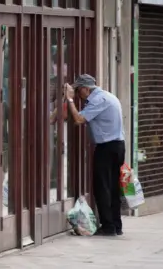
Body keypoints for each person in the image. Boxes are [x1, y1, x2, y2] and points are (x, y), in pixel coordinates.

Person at [64, 74, 125, 236]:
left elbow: (78, 119)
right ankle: (116, 225)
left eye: (78, 91)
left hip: (107, 147)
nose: (77, 95)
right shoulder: (107, 96)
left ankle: (108, 226)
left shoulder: (98, 100)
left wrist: (69, 100)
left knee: (102, 187)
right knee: (112, 187)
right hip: (117, 146)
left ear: (85, 89)